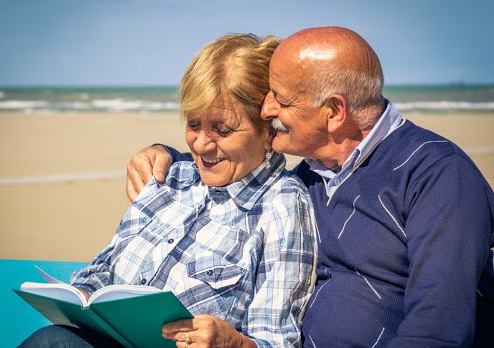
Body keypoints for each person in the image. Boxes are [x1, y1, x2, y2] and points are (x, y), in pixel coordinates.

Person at [126, 26, 494, 347]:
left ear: (334, 111)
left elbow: (440, 328)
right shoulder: (307, 177)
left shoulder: (437, 174)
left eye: (280, 100)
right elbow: (234, 162)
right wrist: (168, 156)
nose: (266, 110)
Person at [19, 33, 317, 348]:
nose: (201, 145)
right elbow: (101, 273)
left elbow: (277, 341)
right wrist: (79, 297)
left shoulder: (283, 207)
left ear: (268, 129)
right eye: (193, 124)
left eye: (222, 129)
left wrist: (236, 344)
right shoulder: (170, 181)